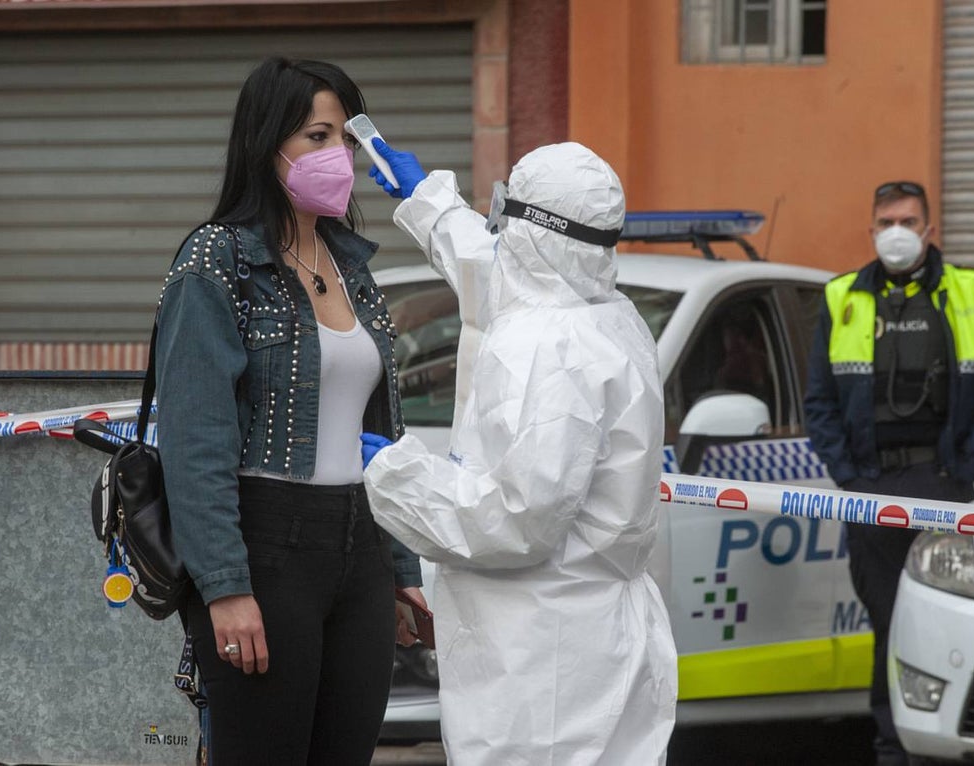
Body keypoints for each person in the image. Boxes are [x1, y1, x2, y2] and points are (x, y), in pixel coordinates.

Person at [359, 140, 678, 765]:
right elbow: (505, 275)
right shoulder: (607, 316)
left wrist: (390, 476)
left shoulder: (545, 350)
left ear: (533, 229)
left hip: (539, 658)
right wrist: (430, 204)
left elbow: (513, 521)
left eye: (504, 213)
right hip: (597, 634)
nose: (496, 229)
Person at [154, 57, 423, 765]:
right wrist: (225, 588)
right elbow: (196, 439)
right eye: (316, 136)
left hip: (359, 547)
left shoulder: (352, 267)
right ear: (266, 144)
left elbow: (378, 432)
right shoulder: (218, 262)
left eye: (344, 138)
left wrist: (400, 570)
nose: (338, 156)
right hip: (267, 545)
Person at [804, 180, 974, 766]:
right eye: (884, 222)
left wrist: (964, 470)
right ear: (870, 230)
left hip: (940, 485)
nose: (894, 232)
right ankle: (892, 745)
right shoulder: (840, 296)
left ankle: (946, 743)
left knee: (944, 615)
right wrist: (849, 479)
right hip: (869, 490)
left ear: (929, 229)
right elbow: (818, 401)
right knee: (888, 623)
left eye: (906, 221)